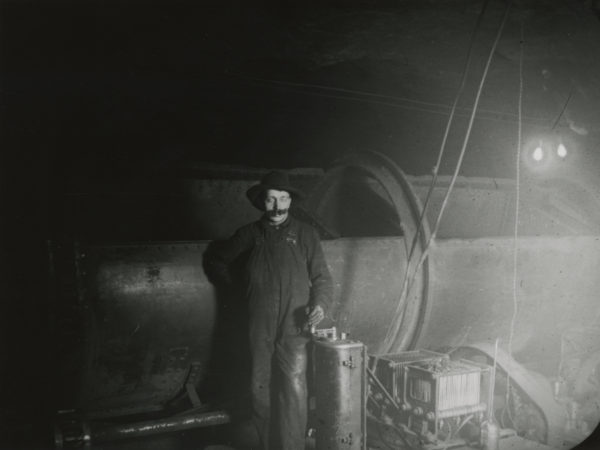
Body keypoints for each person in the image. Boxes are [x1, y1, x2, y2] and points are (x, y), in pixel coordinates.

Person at [206, 170, 333, 450]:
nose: (277, 206)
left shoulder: (306, 235)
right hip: (258, 323)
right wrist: (241, 293)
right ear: (263, 202)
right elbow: (216, 259)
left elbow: (322, 277)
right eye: (271, 199)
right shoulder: (248, 234)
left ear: (290, 201)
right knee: (259, 388)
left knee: (295, 389)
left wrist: (320, 305)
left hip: (294, 323)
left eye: (283, 198)